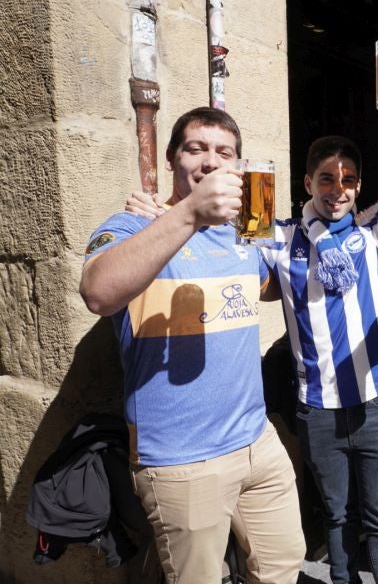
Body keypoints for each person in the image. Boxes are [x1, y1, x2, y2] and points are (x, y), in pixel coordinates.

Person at [80, 107, 305, 584]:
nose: (210, 161)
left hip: (257, 443)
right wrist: (184, 214)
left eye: (224, 152)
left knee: (284, 568)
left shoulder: (243, 234)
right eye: (195, 149)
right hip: (183, 461)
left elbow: (267, 285)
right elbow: (98, 292)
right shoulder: (134, 226)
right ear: (170, 159)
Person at [260, 63, 378, 584]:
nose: (338, 189)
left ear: (359, 186)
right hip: (319, 412)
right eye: (327, 179)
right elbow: (227, 237)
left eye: (348, 179)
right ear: (307, 182)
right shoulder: (281, 239)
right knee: (336, 518)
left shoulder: (372, 229)